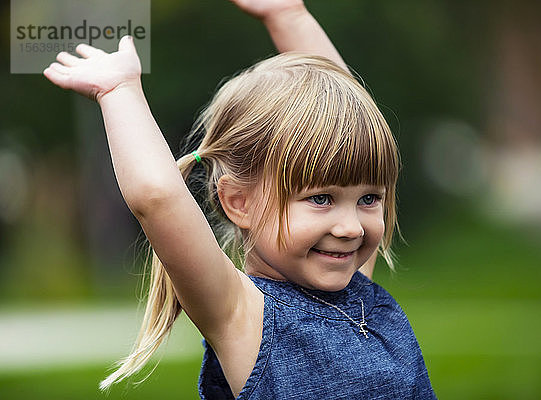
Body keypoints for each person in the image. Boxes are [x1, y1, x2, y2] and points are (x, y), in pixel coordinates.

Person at [43, 1, 436, 398]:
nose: (350, 227)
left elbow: (344, 96)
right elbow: (159, 198)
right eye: (320, 199)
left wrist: (288, 15)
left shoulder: (351, 282)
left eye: (368, 198)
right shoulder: (243, 316)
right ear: (239, 203)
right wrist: (119, 91)